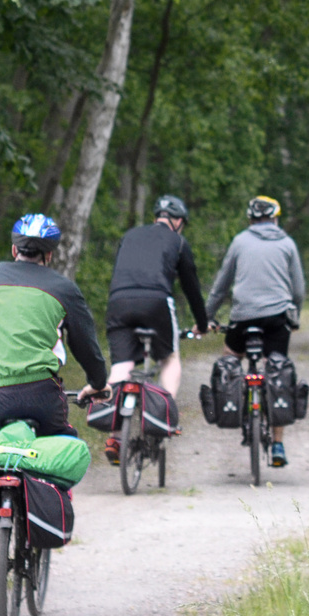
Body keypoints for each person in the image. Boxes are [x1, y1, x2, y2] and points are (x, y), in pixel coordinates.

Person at [0, 212, 107, 603]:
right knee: (61, 443)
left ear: (13, 249)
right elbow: (86, 346)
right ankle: (46, 522)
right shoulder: (63, 288)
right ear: (50, 255)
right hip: (42, 395)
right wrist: (98, 384)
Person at [101, 194, 209, 462]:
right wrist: (203, 323)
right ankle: (162, 418)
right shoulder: (178, 241)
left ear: (156, 217)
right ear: (179, 222)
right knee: (169, 359)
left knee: (121, 367)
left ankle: (114, 435)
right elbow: (191, 288)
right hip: (156, 302)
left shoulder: (130, 235)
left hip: (119, 301)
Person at [205, 195, 306, 467]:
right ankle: (278, 445)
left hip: (243, 318)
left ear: (251, 219)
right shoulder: (287, 243)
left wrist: (208, 316)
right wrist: (294, 316)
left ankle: (234, 404)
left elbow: (221, 285)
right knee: (276, 369)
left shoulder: (239, 241)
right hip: (277, 318)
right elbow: (298, 290)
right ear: (276, 218)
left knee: (230, 356)